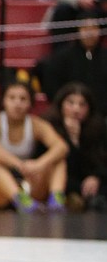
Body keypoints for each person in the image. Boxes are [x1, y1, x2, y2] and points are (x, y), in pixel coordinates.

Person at [0, 79, 68, 212]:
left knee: (58, 159)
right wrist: (18, 164)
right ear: (4, 101)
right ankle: (20, 199)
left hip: (28, 182)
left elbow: (61, 146)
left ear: (30, 103)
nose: (17, 103)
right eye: (12, 98)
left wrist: (39, 164)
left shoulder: (37, 124)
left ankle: (56, 199)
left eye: (23, 99)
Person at [43, 81, 106, 212]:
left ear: (89, 108)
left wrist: (96, 177)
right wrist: (71, 140)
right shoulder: (48, 127)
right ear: (61, 104)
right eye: (70, 103)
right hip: (62, 181)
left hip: (90, 180)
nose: (76, 109)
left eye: (82, 104)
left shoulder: (98, 129)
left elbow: (100, 162)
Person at [38, 10, 107, 110]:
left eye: (94, 28)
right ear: (78, 30)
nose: (89, 33)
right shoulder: (62, 57)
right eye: (85, 28)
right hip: (68, 112)